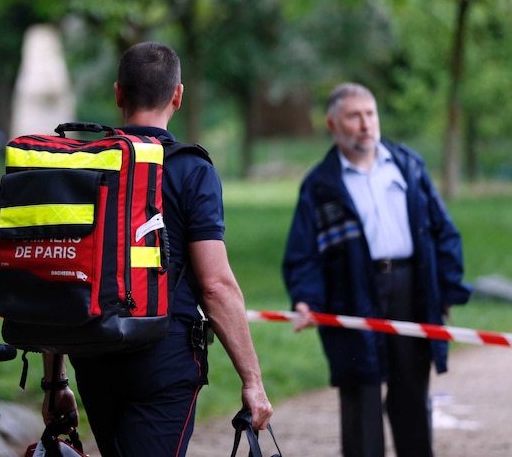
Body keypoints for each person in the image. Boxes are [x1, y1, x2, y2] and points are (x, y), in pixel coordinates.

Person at [40, 41, 273, 457]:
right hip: (163, 360)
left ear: (118, 94)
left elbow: (64, 276)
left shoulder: (85, 164)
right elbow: (216, 285)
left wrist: (56, 382)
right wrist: (252, 381)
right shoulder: (191, 170)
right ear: (178, 96)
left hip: (92, 353)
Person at [282, 82, 472, 457]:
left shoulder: (408, 166)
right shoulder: (320, 185)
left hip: (409, 287)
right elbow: (303, 253)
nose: (366, 124)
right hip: (351, 291)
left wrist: (447, 290)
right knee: (360, 395)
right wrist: (306, 300)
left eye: (370, 114)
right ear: (333, 124)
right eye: (354, 116)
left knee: (412, 396)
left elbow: (443, 231)